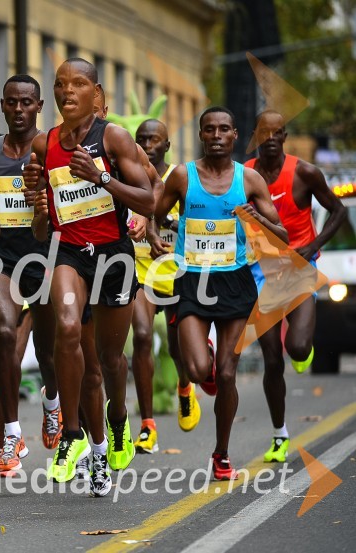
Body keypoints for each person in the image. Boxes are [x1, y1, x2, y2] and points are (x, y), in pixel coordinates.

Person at [24, 58, 154, 485]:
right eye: (60, 84)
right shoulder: (45, 146)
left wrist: (100, 179)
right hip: (70, 252)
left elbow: (148, 201)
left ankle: (117, 421)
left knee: (110, 360)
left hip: (113, 256)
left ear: (96, 94)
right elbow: (42, 227)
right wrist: (39, 210)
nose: (67, 92)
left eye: (78, 84)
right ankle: (77, 435)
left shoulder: (112, 137)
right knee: (66, 328)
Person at [153, 106, 287, 480]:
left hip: (236, 281)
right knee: (198, 370)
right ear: (200, 135)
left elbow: (282, 234)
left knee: (226, 374)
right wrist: (156, 233)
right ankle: (205, 355)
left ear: (234, 135)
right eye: (209, 129)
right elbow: (155, 212)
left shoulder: (250, 179)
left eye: (223, 129)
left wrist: (258, 220)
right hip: (192, 280)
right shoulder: (182, 175)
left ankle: (221, 454)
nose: (216, 135)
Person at [245, 110, 345, 463]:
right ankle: (279, 434)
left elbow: (338, 211)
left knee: (298, 348)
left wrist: (313, 246)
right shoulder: (245, 174)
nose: (270, 137)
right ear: (256, 135)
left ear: (285, 136)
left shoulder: (304, 172)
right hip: (260, 272)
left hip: (301, 267)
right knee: (273, 360)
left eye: (277, 131)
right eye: (263, 131)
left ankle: (305, 350)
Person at [0, 74, 60, 475]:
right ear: (3, 105)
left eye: (28, 102)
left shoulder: (51, 149)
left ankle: (53, 402)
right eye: (12, 102)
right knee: (4, 331)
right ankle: (10, 432)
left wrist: (41, 200)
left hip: (44, 254)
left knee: (48, 349)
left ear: (39, 106)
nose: (20, 109)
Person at [130, 118, 201, 454]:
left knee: (177, 350)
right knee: (142, 337)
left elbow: (195, 220)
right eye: (141, 138)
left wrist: (168, 225)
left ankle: (185, 388)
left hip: (175, 270)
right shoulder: (128, 176)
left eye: (154, 139)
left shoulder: (180, 177)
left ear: (167, 145)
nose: (147, 144)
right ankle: (147, 425)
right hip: (139, 270)